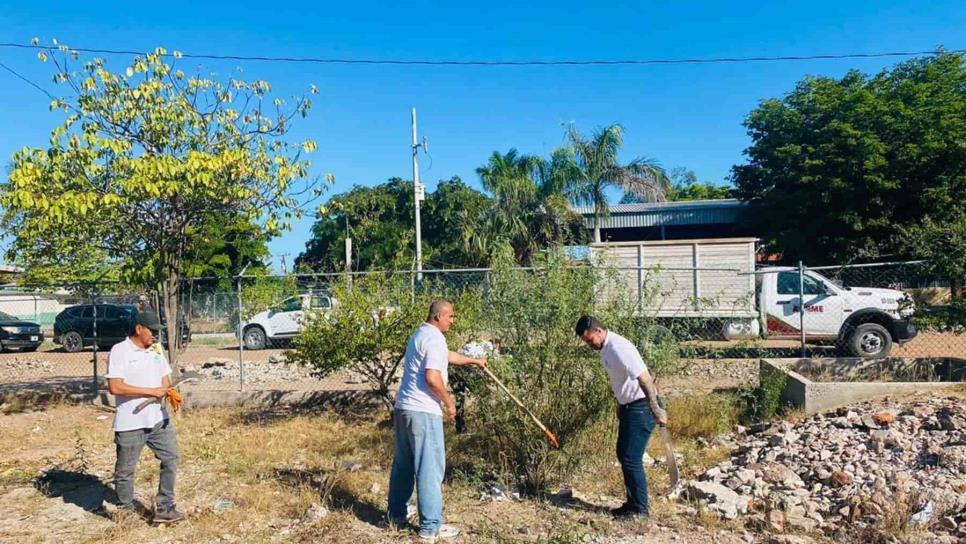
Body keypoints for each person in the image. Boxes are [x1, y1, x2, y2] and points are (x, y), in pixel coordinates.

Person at [387, 300, 487, 541]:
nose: (453, 320)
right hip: (423, 411)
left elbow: (445, 356)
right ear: (439, 316)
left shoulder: (420, 334)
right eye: (451, 316)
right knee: (430, 468)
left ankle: (396, 515)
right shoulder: (434, 338)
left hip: (404, 410)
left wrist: (473, 361)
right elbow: (432, 378)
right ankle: (430, 527)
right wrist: (449, 403)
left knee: (404, 465)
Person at [575, 315, 668, 521]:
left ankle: (640, 511)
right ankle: (632, 504)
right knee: (624, 454)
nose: (590, 345)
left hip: (642, 406)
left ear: (598, 331)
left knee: (630, 457)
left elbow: (644, 378)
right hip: (629, 406)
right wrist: (620, 404)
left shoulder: (619, 347)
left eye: (590, 340)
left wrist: (655, 408)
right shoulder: (605, 349)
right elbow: (622, 380)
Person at [105, 310, 184, 524]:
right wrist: (151, 392)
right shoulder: (120, 351)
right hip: (131, 422)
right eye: (152, 331)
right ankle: (125, 512)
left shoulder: (157, 349)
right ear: (139, 329)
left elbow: (165, 378)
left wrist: (170, 391)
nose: (155, 336)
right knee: (125, 470)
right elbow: (115, 386)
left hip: (158, 419)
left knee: (171, 457)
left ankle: (165, 508)